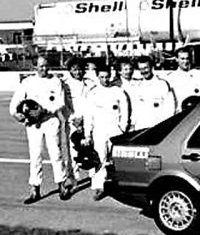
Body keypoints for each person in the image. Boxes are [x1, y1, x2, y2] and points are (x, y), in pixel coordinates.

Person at [9, 56, 71, 203]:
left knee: (56, 154)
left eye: (46, 66)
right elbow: (15, 103)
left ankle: (61, 185)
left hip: (50, 121)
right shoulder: (28, 82)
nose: (44, 69)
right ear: (34, 67)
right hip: (33, 125)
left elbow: (60, 103)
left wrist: (43, 111)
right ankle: (35, 189)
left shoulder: (56, 81)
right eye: (41, 66)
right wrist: (17, 115)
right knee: (35, 155)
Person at [83, 63, 130, 200]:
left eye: (107, 76)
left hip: (115, 129)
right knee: (100, 158)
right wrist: (88, 133)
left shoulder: (117, 91)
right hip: (99, 130)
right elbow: (88, 116)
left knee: (117, 159)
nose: (105, 79)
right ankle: (99, 187)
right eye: (102, 77)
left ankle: (120, 185)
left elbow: (125, 111)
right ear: (97, 77)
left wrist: (123, 128)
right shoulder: (93, 93)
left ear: (111, 75)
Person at [61, 57, 95, 183]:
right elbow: (64, 104)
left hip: (89, 121)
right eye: (74, 70)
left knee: (91, 147)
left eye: (80, 69)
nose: (77, 72)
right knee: (73, 151)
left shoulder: (91, 83)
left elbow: (93, 103)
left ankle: (94, 177)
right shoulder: (65, 85)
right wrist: (73, 118)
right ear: (69, 70)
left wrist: (85, 120)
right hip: (73, 122)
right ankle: (73, 178)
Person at [130, 56, 176, 130]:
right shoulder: (137, 87)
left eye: (146, 68)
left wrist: (165, 126)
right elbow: (135, 109)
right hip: (141, 127)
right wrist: (133, 124)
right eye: (141, 69)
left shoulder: (162, 84)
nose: (144, 71)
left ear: (151, 67)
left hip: (158, 127)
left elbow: (170, 108)